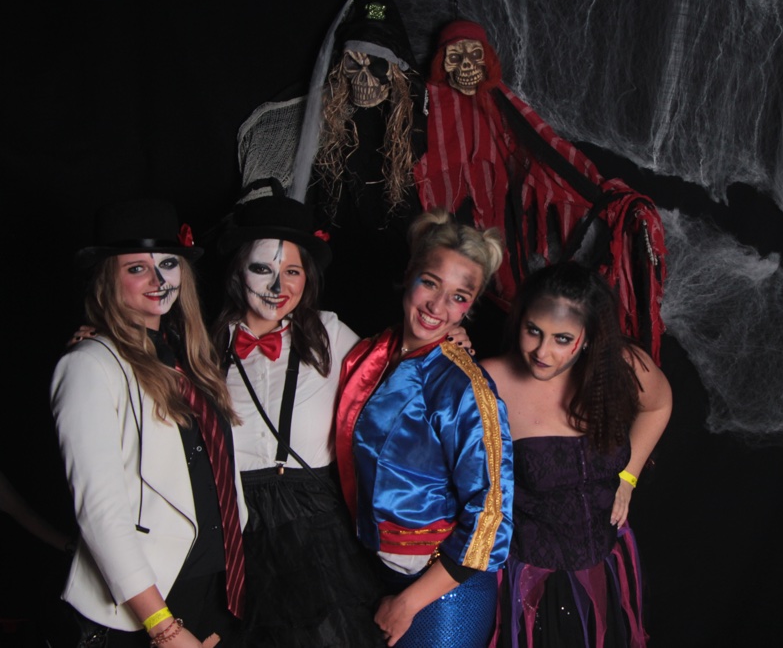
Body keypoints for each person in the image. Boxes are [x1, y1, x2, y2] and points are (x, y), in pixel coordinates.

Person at [51, 198, 247, 648]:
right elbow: (100, 511)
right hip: (144, 604)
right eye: (137, 268)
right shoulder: (88, 365)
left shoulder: (190, 357)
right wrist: (163, 626)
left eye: (168, 264)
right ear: (108, 278)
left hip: (213, 585)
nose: (159, 281)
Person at [212, 191, 386, 647]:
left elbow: (402, 370)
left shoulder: (329, 333)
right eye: (262, 268)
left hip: (315, 523)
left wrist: (452, 337)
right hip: (235, 521)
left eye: (292, 271)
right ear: (238, 271)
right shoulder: (204, 345)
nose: (278, 286)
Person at [334, 208, 514, 648]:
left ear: (471, 306)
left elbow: (491, 518)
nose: (437, 307)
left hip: (442, 591)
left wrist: (409, 602)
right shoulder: (369, 354)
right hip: (372, 572)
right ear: (409, 274)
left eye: (459, 296)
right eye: (431, 283)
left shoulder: (466, 388)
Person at [482, 261, 672, 648]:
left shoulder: (620, 366)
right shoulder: (489, 381)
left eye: (562, 338)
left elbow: (659, 404)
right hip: (530, 579)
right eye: (533, 331)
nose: (542, 351)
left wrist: (628, 478)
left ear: (588, 337)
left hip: (608, 563)